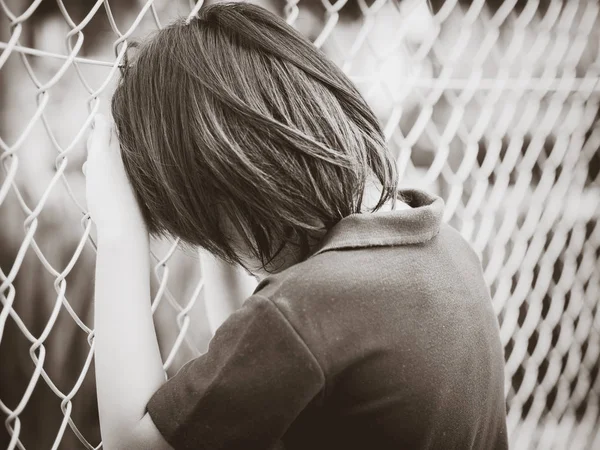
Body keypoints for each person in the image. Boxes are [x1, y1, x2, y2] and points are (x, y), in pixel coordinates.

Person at [86, 2, 508, 449]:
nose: (219, 248)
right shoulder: (446, 248)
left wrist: (118, 235)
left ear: (226, 190)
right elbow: (250, 367)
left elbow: (130, 444)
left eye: (203, 227)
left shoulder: (305, 310)